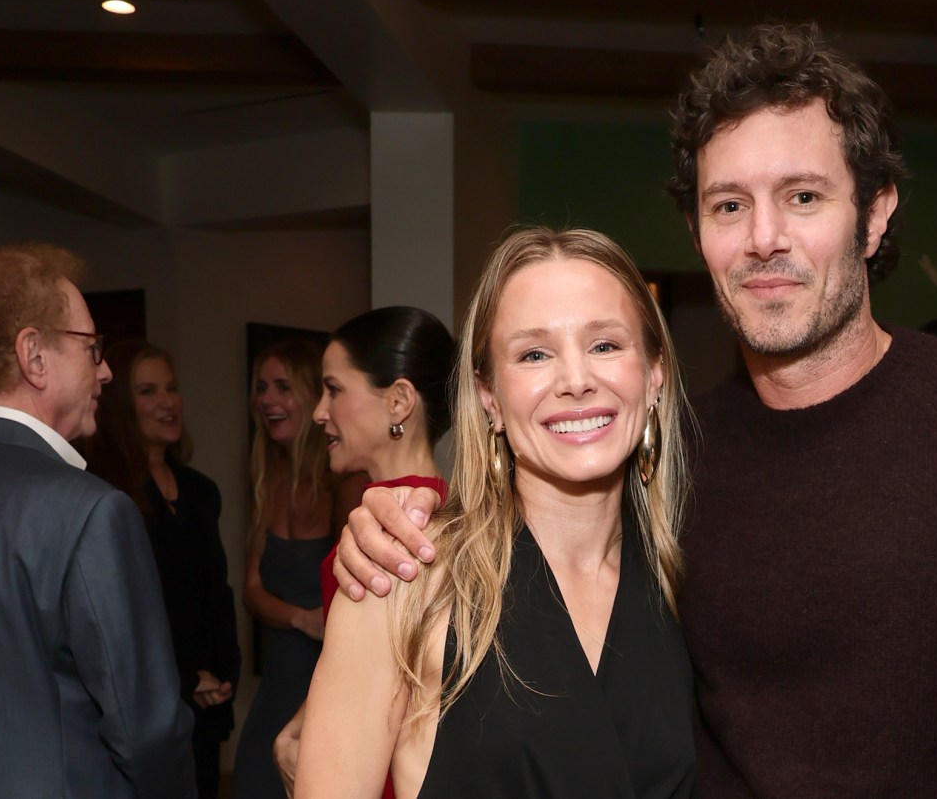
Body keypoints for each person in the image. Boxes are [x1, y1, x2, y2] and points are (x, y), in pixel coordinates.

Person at [333, 24, 937, 797]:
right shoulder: (669, 464)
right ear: (697, 231)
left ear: (875, 214)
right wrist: (393, 525)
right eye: (729, 205)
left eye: (802, 196)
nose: (764, 238)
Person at [295, 227, 696, 798]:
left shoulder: (689, 585)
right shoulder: (405, 579)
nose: (576, 380)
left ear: (654, 374)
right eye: (534, 354)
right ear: (489, 396)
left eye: (605, 345)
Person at [0, 242, 194, 797]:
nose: (105, 371)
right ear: (34, 357)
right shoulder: (90, 511)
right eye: (91, 347)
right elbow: (145, 730)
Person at [271, 306, 456, 796]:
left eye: (334, 389)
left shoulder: (394, 534)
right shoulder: (447, 509)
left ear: (399, 402)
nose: (319, 412)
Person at [85, 341, 241, 799]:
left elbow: (216, 591)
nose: (167, 402)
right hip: (148, 699)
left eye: (172, 388)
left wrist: (224, 671)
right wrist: (185, 679)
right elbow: (124, 610)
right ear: (122, 407)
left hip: (209, 696)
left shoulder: (200, 491)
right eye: (148, 391)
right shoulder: (107, 495)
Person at [234, 338, 362, 799]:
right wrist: (301, 618)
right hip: (276, 683)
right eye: (261, 387)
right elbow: (251, 591)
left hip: (323, 689)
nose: (268, 399)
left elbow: (362, 603)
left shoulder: (345, 484)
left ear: (313, 397)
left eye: (283, 387)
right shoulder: (267, 479)